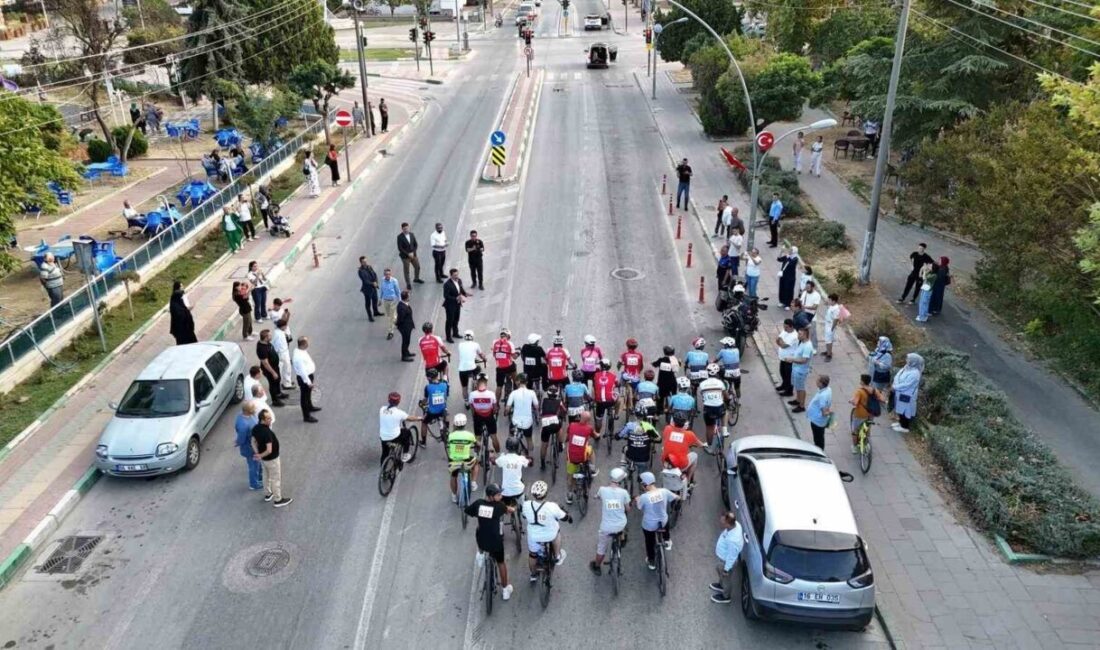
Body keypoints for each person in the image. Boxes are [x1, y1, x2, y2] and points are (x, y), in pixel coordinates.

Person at [465, 484, 514, 601]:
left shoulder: (478, 504)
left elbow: (468, 511)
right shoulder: (499, 506)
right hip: (496, 543)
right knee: (501, 562)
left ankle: (481, 554)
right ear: (491, 497)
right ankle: (505, 589)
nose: (501, 496)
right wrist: (513, 509)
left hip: (482, 541)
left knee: (478, 529)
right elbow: (509, 510)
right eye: (498, 495)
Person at [522, 480, 571, 578]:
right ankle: (557, 556)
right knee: (557, 532)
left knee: (532, 555)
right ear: (546, 493)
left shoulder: (526, 505)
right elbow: (564, 517)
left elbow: (524, 516)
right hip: (550, 535)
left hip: (534, 536)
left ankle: (533, 574)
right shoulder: (552, 506)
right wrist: (569, 518)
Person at [589, 467, 631, 575]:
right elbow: (628, 509)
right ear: (621, 481)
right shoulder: (624, 492)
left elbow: (596, 496)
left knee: (602, 547)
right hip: (620, 525)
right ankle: (622, 537)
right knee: (624, 524)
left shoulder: (602, 490)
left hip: (606, 527)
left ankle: (597, 566)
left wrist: (598, 497)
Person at [636, 472, 677, 569]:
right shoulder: (664, 491)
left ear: (645, 485)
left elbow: (639, 507)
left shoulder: (644, 497)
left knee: (649, 541)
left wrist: (638, 499)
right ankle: (667, 540)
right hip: (662, 522)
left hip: (649, 525)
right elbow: (675, 497)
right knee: (665, 519)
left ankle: (651, 561)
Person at [251, 409, 292, 507]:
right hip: (272, 459)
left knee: (266, 476)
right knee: (275, 478)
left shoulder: (256, 428)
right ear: (263, 420)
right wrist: (260, 455)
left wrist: (257, 453)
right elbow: (269, 450)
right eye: (268, 418)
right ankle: (278, 499)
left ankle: (268, 494)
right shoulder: (267, 433)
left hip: (264, 460)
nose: (271, 420)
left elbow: (252, 441)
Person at [565, 411, 599, 504]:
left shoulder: (571, 425)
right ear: (588, 420)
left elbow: (568, 437)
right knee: (590, 449)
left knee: (570, 477)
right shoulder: (589, 428)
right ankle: (592, 468)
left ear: (579, 417)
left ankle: (569, 495)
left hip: (571, 458)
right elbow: (596, 435)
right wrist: (597, 435)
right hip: (582, 457)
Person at [710, 512, 744, 604]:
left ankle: (726, 596)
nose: (720, 522)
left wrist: (726, 570)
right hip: (723, 559)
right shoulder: (736, 525)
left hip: (726, 562)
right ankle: (721, 585)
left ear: (728, 524)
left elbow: (731, 557)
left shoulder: (733, 541)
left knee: (726, 579)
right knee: (720, 572)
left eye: (722, 522)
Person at [381, 391, 423, 465]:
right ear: (398, 402)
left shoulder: (382, 409)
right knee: (406, 432)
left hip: (383, 437)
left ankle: (383, 471)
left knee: (384, 453)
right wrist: (420, 418)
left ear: (388, 400)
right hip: (394, 437)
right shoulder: (399, 413)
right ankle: (405, 454)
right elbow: (410, 418)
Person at [447, 412, 480, 498]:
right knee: (476, 462)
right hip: (467, 461)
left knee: (453, 476)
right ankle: (473, 483)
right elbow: (477, 444)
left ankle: (454, 495)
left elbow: (448, 445)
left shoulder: (451, 435)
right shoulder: (470, 435)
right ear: (465, 423)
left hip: (453, 462)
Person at [661, 415, 701, 486]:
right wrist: (704, 445)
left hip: (666, 463)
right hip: (682, 465)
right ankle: (688, 481)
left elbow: (664, 437)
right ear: (685, 423)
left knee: (663, 449)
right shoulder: (689, 434)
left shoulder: (667, 428)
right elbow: (700, 444)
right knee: (695, 455)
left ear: (673, 422)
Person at [849, 373, 883, 453]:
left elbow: (855, 403)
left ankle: (855, 447)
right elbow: (882, 399)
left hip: (860, 414)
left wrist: (851, 401)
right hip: (871, 414)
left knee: (855, 431)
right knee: (867, 428)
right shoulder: (874, 390)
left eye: (861, 379)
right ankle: (867, 443)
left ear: (862, 382)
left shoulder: (859, 391)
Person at [891, 353, 924, 433]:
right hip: (899, 392)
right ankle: (900, 423)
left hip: (907, 395)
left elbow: (907, 384)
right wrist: (895, 383)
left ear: (914, 361)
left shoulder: (915, 373)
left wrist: (895, 387)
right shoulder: (906, 367)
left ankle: (905, 427)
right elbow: (898, 375)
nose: (906, 360)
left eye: (908, 359)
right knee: (900, 409)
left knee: (905, 411)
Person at [699, 364, 729, 451]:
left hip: (708, 409)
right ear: (717, 373)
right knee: (725, 412)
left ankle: (709, 446)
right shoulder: (720, 383)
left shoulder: (702, 384)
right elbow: (726, 396)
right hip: (719, 407)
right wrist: (728, 399)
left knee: (709, 427)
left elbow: (702, 395)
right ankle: (724, 430)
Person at [234, 401, 263, 490]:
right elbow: (241, 438)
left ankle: (259, 478)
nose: (255, 409)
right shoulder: (244, 425)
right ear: (249, 411)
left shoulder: (241, 416)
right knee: (253, 466)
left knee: (257, 464)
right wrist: (238, 442)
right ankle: (254, 484)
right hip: (251, 449)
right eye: (253, 408)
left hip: (254, 446)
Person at [537, 384, 566, 470]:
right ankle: (560, 444)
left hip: (545, 424)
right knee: (560, 428)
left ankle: (542, 463)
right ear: (557, 394)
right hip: (555, 423)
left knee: (544, 445)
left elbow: (540, 412)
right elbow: (564, 410)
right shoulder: (559, 401)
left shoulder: (544, 400)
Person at [507, 373, 539, 449]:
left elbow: (507, 408)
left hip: (516, 423)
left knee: (510, 436)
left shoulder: (513, 393)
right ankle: (530, 457)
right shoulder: (532, 393)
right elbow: (537, 406)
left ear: (518, 382)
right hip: (528, 423)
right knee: (529, 439)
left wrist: (506, 413)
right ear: (527, 382)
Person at [293, 336, 320, 423]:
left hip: (308, 375)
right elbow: (302, 371)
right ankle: (306, 416)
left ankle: (310, 406)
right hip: (305, 378)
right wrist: (308, 382)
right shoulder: (298, 357)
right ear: (304, 344)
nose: (308, 343)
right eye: (307, 342)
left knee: (308, 394)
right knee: (304, 397)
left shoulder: (301, 351)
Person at [257, 329, 288, 404]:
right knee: (273, 384)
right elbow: (265, 363)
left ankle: (279, 393)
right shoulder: (262, 349)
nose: (271, 336)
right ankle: (275, 400)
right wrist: (273, 373)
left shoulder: (267, 343)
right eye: (270, 336)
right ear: (265, 338)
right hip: (269, 370)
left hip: (275, 367)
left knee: (277, 380)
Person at [469, 375, 500, 452]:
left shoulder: (472, 394)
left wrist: (474, 416)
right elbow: (495, 409)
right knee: (494, 436)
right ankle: (498, 453)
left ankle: (477, 455)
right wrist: (494, 414)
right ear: (486, 383)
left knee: (477, 438)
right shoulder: (491, 394)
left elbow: (472, 408)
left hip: (478, 417)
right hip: (489, 416)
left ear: (477, 383)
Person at [788, 326, 815, 413]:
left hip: (801, 371)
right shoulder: (802, 342)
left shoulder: (807, 346)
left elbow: (804, 360)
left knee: (801, 388)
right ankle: (797, 399)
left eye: (800, 334)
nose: (798, 335)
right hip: (796, 368)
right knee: (797, 386)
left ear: (805, 335)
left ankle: (801, 405)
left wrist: (792, 359)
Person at [497, 437, 530, 504]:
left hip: (506, 492)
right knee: (523, 505)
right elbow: (527, 463)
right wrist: (529, 460)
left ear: (507, 447)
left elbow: (497, 462)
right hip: (518, 490)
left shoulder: (503, 458)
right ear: (518, 447)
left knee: (506, 507)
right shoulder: (521, 458)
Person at [422, 369, 450, 446]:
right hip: (442, 409)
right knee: (446, 414)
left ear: (429, 378)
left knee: (424, 423)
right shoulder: (444, 384)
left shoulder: (428, 387)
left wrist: (421, 403)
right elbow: (446, 396)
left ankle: (423, 442)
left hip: (432, 412)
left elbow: (425, 400)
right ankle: (446, 429)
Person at [457, 330, 486, 400]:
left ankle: (466, 402)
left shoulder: (460, 345)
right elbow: (481, 355)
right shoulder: (476, 344)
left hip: (462, 369)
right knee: (479, 368)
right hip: (472, 368)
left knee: (464, 388)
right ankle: (477, 382)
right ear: (472, 337)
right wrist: (484, 359)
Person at [591, 359, 618, 435]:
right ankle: (616, 414)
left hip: (599, 402)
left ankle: (597, 433)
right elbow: (617, 384)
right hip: (611, 400)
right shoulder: (613, 376)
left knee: (599, 419)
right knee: (620, 398)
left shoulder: (596, 375)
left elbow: (594, 387)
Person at [443, 268, 469, 343]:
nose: (457, 276)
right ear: (451, 275)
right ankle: (448, 337)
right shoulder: (447, 284)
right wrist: (456, 298)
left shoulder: (459, 280)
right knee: (449, 321)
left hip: (457, 304)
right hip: (450, 305)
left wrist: (465, 294)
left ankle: (455, 333)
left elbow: (460, 289)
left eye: (457, 274)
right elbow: (446, 296)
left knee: (456, 319)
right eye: (455, 275)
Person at [807, 375, 833, 450]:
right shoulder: (828, 389)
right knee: (820, 437)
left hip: (817, 421)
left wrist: (829, 412)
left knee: (818, 439)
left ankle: (819, 451)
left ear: (821, 383)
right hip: (818, 420)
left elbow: (824, 412)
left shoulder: (823, 396)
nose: (816, 381)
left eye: (817, 381)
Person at [651, 346, 681, 410]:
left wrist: (652, 363)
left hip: (662, 383)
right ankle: (674, 406)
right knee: (674, 394)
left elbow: (654, 364)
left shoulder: (661, 360)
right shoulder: (675, 361)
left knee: (660, 396)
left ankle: (659, 411)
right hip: (672, 383)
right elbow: (678, 365)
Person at [492, 329, 518, 400]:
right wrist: (517, 354)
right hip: (509, 367)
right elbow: (514, 357)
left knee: (499, 386)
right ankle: (517, 395)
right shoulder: (510, 343)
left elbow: (494, 354)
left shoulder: (494, 342)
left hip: (499, 368)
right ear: (508, 336)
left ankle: (496, 405)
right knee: (517, 380)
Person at [775, 319, 798, 396]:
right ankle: (784, 385)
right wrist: (781, 342)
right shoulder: (785, 331)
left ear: (791, 327)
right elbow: (777, 340)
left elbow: (784, 346)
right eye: (784, 327)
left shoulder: (794, 336)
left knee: (789, 376)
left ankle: (789, 391)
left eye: (786, 327)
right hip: (783, 358)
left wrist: (780, 342)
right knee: (782, 373)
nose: (784, 329)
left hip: (789, 359)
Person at [396, 222, 424, 287]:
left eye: (407, 228)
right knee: (407, 270)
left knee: (417, 267)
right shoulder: (399, 237)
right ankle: (408, 283)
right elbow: (400, 248)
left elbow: (415, 244)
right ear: (402, 229)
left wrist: (413, 252)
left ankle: (416, 278)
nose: (406, 230)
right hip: (405, 256)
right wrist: (408, 254)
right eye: (404, 229)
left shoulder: (412, 234)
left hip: (413, 255)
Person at [272, 318, 294, 393]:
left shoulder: (277, 332)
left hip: (282, 352)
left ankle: (287, 382)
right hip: (282, 353)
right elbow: (277, 345)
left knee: (284, 368)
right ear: (282, 326)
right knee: (286, 368)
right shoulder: (279, 334)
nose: (286, 327)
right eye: (285, 326)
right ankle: (287, 383)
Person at [358, 256, 382, 322]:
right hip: (367, 289)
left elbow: (374, 274)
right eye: (364, 262)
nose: (365, 263)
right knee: (368, 303)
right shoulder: (360, 271)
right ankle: (370, 316)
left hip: (374, 287)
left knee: (375, 300)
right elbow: (365, 280)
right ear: (361, 263)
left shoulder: (369, 267)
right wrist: (372, 283)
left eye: (366, 261)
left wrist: (376, 282)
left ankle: (376, 312)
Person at [380, 268, 401, 340]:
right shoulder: (382, 280)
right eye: (386, 274)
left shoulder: (394, 281)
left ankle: (390, 332)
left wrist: (400, 300)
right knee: (389, 315)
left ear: (391, 274)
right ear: (384, 275)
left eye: (389, 274)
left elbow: (397, 291)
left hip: (393, 301)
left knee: (390, 318)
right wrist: (380, 299)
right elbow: (381, 290)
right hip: (385, 301)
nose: (387, 276)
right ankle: (397, 322)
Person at [800, 279, 822, 350]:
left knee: (812, 332)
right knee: (803, 331)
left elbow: (815, 307)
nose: (807, 289)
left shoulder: (816, 295)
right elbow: (801, 301)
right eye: (806, 287)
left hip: (812, 316)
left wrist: (805, 307)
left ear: (813, 287)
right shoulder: (804, 293)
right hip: (803, 315)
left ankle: (814, 347)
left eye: (808, 287)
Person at [396, 291, 415, 361]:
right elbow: (401, 318)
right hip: (404, 327)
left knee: (407, 340)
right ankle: (404, 356)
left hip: (407, 326)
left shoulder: (403, 304)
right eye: (408, 296)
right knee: (405, 341)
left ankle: (406, 352)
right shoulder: (402, 307)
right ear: (406, 298)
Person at [822, 293, 841, 361]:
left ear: (834, 301)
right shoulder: (832, 306)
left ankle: (829, 355)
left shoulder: (836, 308)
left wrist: (831, 329)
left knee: (828, 340)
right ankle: (828, 351)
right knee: (828, 340)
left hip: (830, 326)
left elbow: (836, 319)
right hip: (828, 324)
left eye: (829, 300)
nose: (828, 301)